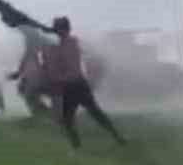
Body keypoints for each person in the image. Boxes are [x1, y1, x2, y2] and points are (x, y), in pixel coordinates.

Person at [43, 15, 125, 149]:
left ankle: (116, 137)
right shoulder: (66, 44)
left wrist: (50, 32)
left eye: (58, 28)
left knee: (93, 114)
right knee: (70, 119)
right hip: (73, 86)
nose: (57, 31)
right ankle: (78, 145)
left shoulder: (69, 44)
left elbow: (62, 60)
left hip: (76, 85)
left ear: (63, 29)